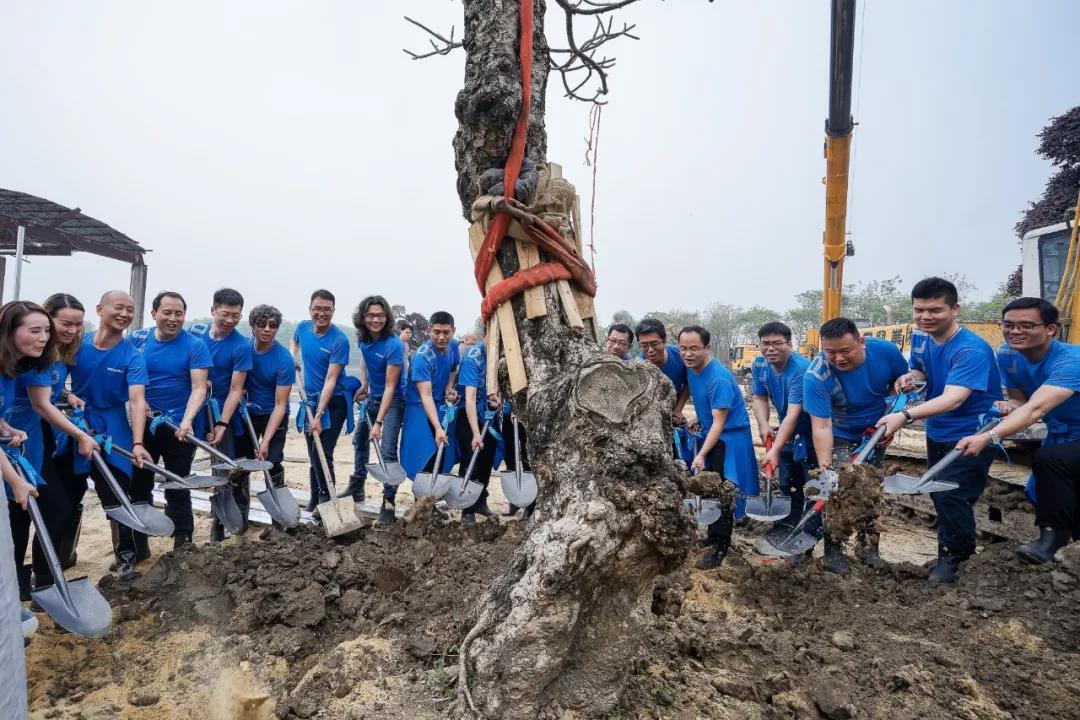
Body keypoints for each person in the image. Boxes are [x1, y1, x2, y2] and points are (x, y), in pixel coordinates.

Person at [875, 278, 1001, 583]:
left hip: (972, 433)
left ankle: (956, 560)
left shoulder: (971, 349)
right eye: (920, 310)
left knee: (953, 496)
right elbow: (922, 369)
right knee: (940, 494)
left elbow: (953, 398)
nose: (926, 316)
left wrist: (903, 415)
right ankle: (950, 552)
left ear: (954, 309)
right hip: (939, 432)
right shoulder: (922, 338)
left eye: (935, 310)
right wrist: (911, 376)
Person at [957, 297, 1080, 564]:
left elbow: (1036, 409)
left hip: (1072, 435)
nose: (1015, 332)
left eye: (1026, 325)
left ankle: (1052, 538)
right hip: (1061, 434)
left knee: (1051, 461)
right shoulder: (1009, 355)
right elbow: (1021, 402)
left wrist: (990, 436)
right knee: (1038, 491)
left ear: (1050, 329)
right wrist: (1008, 405)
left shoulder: (1072, 360)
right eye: (1009, 325)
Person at [6, 298, 98, 597]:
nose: (44, 337)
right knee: (17, 515)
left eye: (46, 330)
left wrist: (68, 395)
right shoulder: (22, 361)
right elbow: (41, 404)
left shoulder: (41, 357)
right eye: (36, 330)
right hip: (19, 440)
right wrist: (82, 436)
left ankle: (40, 580)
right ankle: (17, 586)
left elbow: (45, 397)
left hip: (24, 438)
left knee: (47, 507)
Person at [803, 317, 908, 574]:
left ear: (861, 342)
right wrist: (826, 469)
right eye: (831, 352)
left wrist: (895, 415)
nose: (838, 358)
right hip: (838, 432)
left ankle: (869, 548)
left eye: (845, 351)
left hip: (876, 431)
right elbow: (821, 426)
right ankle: (833, 551)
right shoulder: (816, 376)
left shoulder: (886, 352)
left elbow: (904, 387)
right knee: (835, 490)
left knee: (869, 488)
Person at [69, 291, 150, 576]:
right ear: (99, 308)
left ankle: (126, 558)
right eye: (119, 307)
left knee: (116, 494)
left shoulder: (132, 355)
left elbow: (138, 400)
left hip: (113, 427)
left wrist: (138, 442)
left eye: (130, 309)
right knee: (66, 495)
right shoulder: (77, 343)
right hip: (74, 424)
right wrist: (67, 397)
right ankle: (64, 555)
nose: (125, 314)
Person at [130, 291, 211, 550]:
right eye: (167, 312)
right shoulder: (138, 341)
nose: (173, 318)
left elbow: (199, 387)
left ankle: (183, 540)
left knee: (177, 483)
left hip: (179, 428)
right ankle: (138, 545)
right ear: (154, 314)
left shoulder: (194, 345)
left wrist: (187, 420)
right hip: (144, 425)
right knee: (140, 483)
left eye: (179, 313)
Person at [679, 325, 757, 570]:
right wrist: (697, 418)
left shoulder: (719, 378)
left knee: (724, 491)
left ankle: (720, 548)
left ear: (707, 348)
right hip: (712, 432)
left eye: (694, 349)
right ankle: (713, 536)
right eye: (683, 348)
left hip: (730, 439)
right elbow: (697, 397)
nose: (688, 354)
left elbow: (720, 422)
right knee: (710, 489)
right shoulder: (692, 370)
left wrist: (701, 454)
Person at [191, 288, 254, 541]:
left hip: (223, 410)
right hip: (195, 407)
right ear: (213, 311)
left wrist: (222, 423)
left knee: (224, 466)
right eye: (225, 314)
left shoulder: (240, 345)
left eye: (236, 316)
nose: (230, 321)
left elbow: (236, 389)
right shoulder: (195, 335)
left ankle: (222, 523)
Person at [752, 321, 819, 538]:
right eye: (765, 344)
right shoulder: (760, 365)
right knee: (788, 483)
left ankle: (809, 533)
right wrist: (763, 424)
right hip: (787, 431)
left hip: (811, 432)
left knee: (812, 485)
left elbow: (794, 413)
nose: (770, 349)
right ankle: (786, 526)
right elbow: (759, 397)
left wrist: (775, 449)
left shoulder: (801, 369)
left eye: (777, 343)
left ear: (789, 344)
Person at [392, 311, 460, 525]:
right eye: (436, 332)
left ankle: (429, 504)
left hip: (439, 404)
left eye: (446, 332)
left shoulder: (454, 347)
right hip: (418, 408)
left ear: (453, 331)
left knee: (442, 455)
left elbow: (453, 367)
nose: (441, 337)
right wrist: (438, 428)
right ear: (429, 330)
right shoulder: (422, 356)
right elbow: (425, 395)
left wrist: (450, 386)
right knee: (423, 455)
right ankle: (419, 507)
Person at [290, 289, 350, 513]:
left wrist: (319, 415)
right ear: (310, 310)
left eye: (327, 310)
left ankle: (326, 500)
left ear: (333, 311)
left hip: (333, 402)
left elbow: (331, 379)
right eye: (317, 309)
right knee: (312, 451)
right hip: (310, 400)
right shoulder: (303, 328)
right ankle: (314, 499)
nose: (321, 314)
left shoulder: (339, 340)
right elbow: (294, 342)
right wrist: (293, 357)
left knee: (323, 451)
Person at [344, 296, 406, 504]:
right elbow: (365, 360)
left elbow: (390, 386)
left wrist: (378, 422)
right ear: (363, 317)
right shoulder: (363, 338)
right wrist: (364, 384)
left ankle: (388, 501)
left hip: (393, 401)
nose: (375, 320)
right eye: (371, 315)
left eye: (380, 315)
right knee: (360, 440)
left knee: (387, 450)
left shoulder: (394, 345)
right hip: (372, 397)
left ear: (387, 317)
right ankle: (357, 487)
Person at [237, 304, 294, 503]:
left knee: (272, 461)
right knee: (242, 462)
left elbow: (280, 404)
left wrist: (266, 441)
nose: (267, 329)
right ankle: (240, 511)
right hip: (247, 414)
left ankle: (278, 519)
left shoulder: (284, 359)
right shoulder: (243, 348)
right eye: (262, 324)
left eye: (273, 325)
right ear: (253, 326)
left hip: (274, 414)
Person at [456, 339, 498, 525]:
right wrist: (475, 432)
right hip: (469, 415)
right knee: (470, 459)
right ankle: (467, 509)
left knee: (486, 459)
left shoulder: (504, 355)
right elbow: (470, 399)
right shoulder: (473, 358)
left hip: (490, 415)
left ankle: (480, 501)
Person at [635, 319, 689, 431]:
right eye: (644, 345)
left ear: (664, 341)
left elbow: (689, 382)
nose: (650, 350)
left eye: (654, 344)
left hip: (674, 407)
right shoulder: (637, 367)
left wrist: (678, 409)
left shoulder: (680, 356)